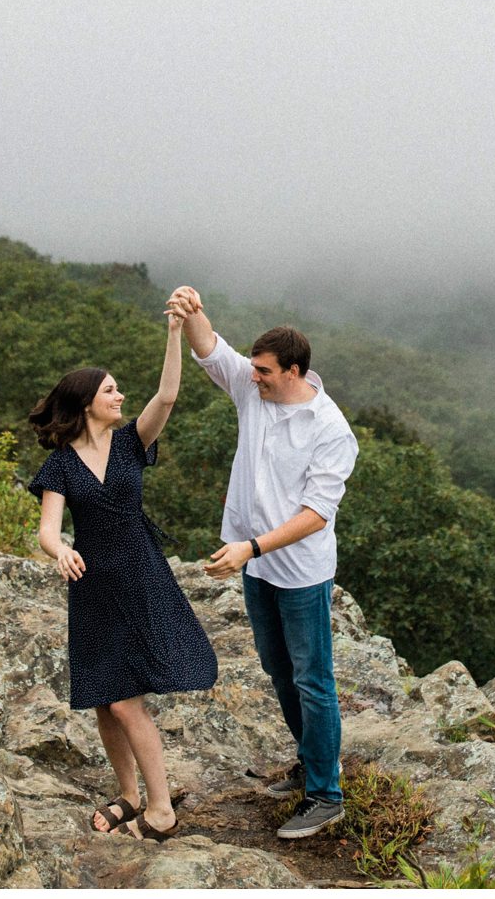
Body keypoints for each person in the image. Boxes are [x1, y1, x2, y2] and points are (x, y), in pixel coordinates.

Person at [167, 284, 359, 841]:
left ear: (294, 371)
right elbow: (211, 350)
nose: (254, 376)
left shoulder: (329, 428)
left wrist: (250, 547)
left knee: (314, 680)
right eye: (252, 369)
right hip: (258, 570)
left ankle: (326, 795)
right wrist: (193, 310)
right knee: (279, 672)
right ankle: (308, 763)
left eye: (266, 371)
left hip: (300, 572)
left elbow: (316, 514)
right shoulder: (254, 393)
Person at [26, 299, 218, 842]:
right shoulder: (61, 463)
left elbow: (170, 394)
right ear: (88, 402)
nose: (120, 396)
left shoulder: (134, 442)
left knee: (125, 699)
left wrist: (175, 331)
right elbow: (47, 527)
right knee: (105, 697)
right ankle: (129, 796)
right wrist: (58, 550)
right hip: (92, 585)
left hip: (139, 574)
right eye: (110, 390)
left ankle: (161, 810)